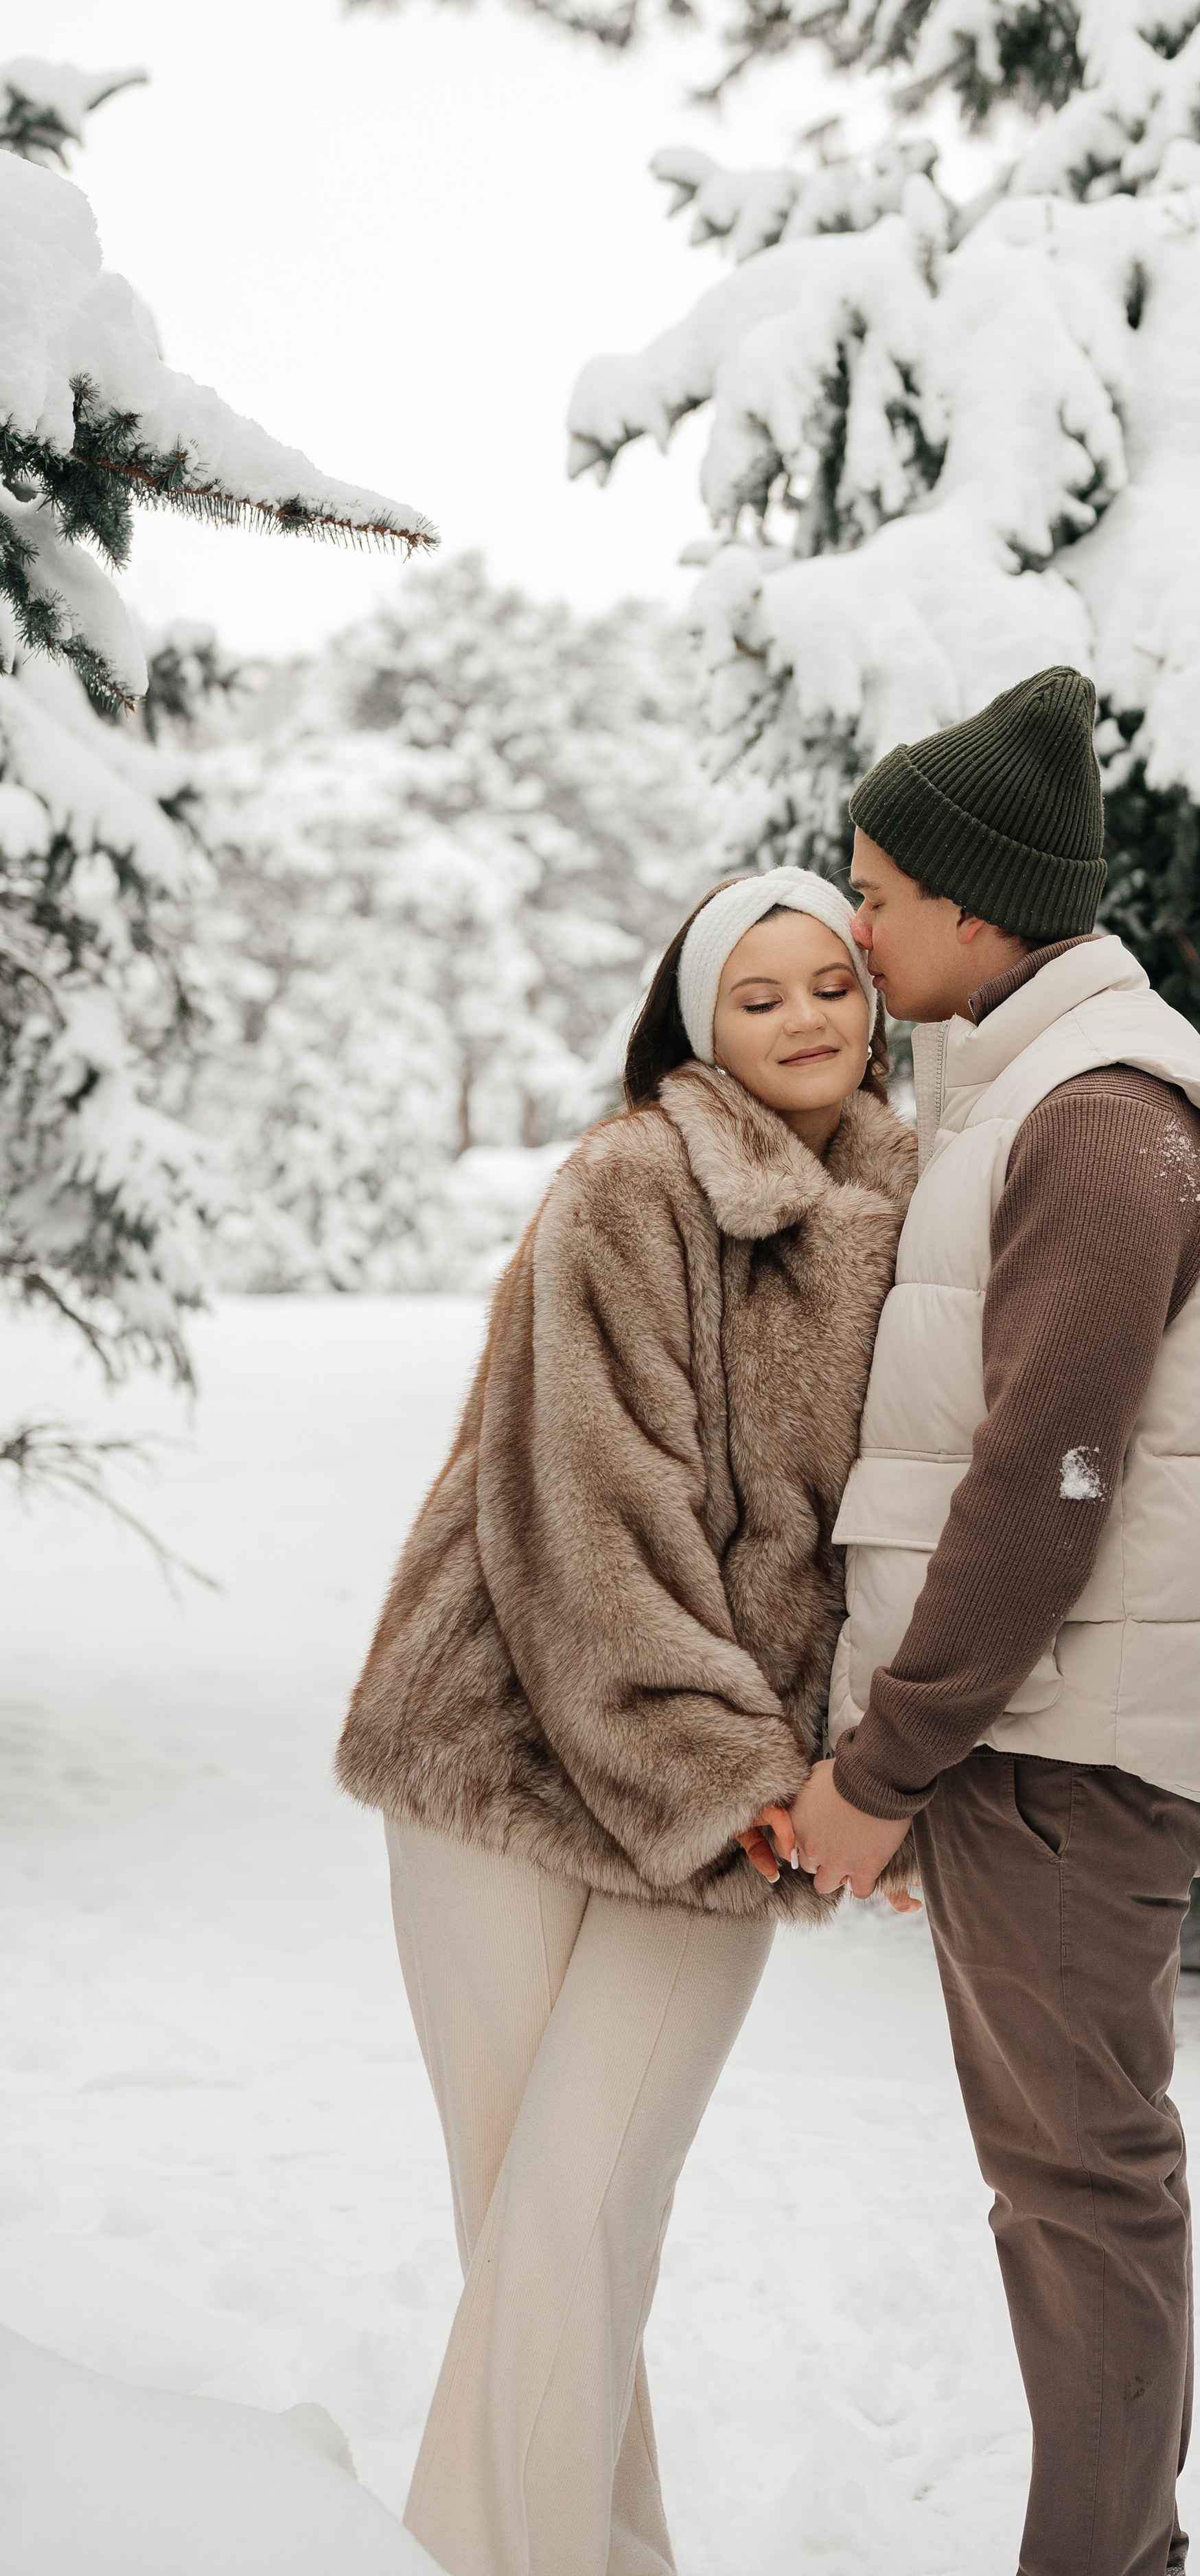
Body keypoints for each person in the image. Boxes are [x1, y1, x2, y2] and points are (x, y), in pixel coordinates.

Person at [787, 666, 1200, 2576]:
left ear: (979, 908)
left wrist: (887, 1763)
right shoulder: (1033, 1092)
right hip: (1041, 1747)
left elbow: (1044, 1487)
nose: (853, 927)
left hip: (1066, 1757)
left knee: (1080, 2190)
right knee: (1066, 2186)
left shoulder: (1103, 1118)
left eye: (878, 890)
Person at [335, 869, 916, 2576]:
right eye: (761, 995)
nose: (808, 1016)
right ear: (693, 1022)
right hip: (501, 1757)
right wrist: (728, 1768)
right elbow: (594, 1509)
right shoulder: (630, 1183)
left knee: (577, 2221)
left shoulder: (919, 1203)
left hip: (712, 1784)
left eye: (833, 983)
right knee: (538, 2222)